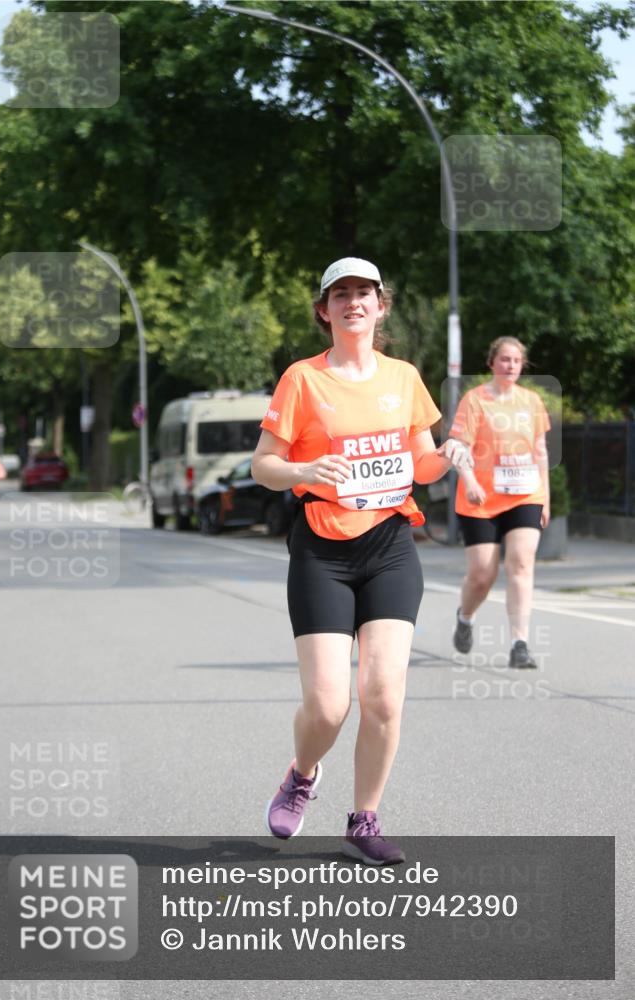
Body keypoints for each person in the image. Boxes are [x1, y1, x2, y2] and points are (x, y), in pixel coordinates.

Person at [252, 257, 472, 865]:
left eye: (364, 293)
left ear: (382, 305)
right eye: (340, 294)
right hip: (322, 547)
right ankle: (302, 773)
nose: (354, 302)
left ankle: (365, 817)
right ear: (324, 310)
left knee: (383, 696)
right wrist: (301, 469)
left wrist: (446, 453)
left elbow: (420, 463)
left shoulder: (403, 378)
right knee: (328, 705)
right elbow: (262, 464)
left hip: (390, 546)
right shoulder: (302, 379)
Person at [449, 336, 551, 669]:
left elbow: (540, 451)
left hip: (525, 494)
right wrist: (470, 480)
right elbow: (458, 447)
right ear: (492, 363)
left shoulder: (532, 402)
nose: (510, 366)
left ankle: (519, 644)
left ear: (523, 366)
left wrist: (545, 498)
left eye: (516, 361)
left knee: (521, 563)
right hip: (481, 498)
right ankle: (465, 617)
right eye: (504, 359)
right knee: (482, 574)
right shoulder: (475, 400)